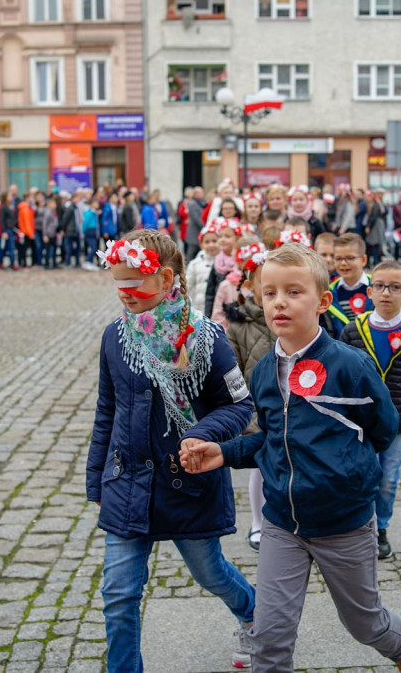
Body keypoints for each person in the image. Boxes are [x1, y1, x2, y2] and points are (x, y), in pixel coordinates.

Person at [181, 243, 401, 673]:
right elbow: (270, 442)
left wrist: (348, 474)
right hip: (283, 523)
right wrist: (222, 452)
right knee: (270, 640)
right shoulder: (262, 372)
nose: (280, 302)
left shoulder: (350, 365)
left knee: (365, 624)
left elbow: (383, 428)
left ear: (323, 302)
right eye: (271, 292)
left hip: (344, 523)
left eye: (294, 292)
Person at [88, 229, 256, 672]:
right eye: (117, 283)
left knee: (210, 573)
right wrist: (97, 479)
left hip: (189, 483)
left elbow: (239, 404)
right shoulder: (114, 337)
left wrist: (202, 433)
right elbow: (108, 410)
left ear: (165, 278)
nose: (123, 294)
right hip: (128, 485)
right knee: (119, 592)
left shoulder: (205, 339)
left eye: (133, 284)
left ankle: (254, 615)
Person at [339, 260, 401, 559]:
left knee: (387, 478)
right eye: (380, 286)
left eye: (395, 287)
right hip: (361, 418)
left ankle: (381, 527)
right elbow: (340, 368)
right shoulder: (353, 330)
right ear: (370, 291)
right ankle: (357, 526)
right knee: (358, 473)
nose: (387, 293)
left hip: (397, 419)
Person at [222, 245, 278, 553]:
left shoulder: (288, 315)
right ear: (249, 286)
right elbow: (233, 370)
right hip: (256, 406)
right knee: (259, 467)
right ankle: (258, 521)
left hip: (292, 403)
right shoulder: (239, 324)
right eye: (266, 284)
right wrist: (244, 409)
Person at [328, 233, 372, 337]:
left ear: (363, 260)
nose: (343, 263)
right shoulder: (330, 292)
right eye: (338, 259)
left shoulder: (377, 287)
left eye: (350, 258)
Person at [187, 225, 220, 312]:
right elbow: (188, 286)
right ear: (201, 245)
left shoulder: (224, 263)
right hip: (199, 308)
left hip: (217, 307)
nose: (211, 245)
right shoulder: (194, 264)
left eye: (214, 241)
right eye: (207, 242)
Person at [365, 189, 387, 266]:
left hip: (376, 226)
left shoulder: (377, 203)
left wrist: (368, 226)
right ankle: (376, 261)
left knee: (373, 244)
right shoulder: (375, 203)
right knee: (374, 244)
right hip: (376, 225)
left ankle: (376, 261)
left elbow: (374, 216)